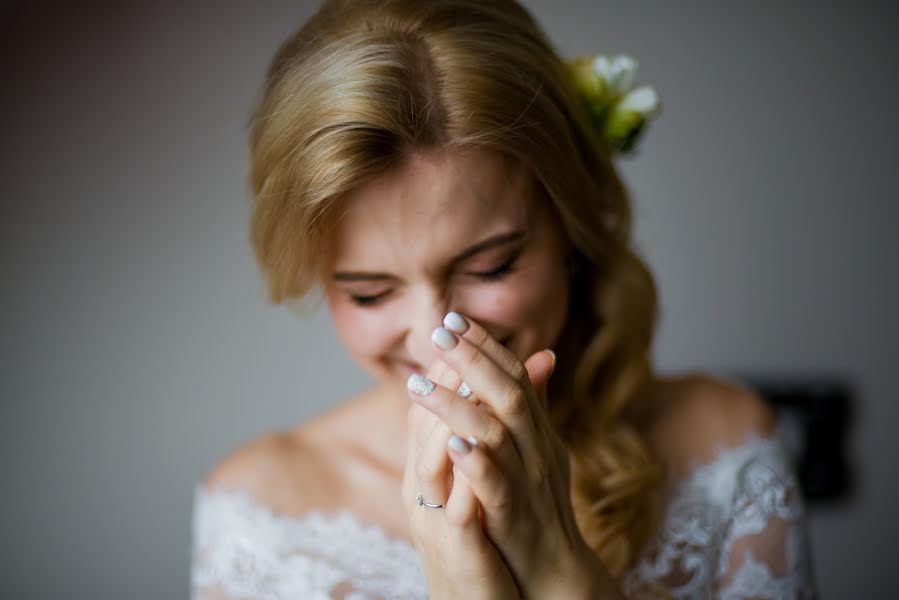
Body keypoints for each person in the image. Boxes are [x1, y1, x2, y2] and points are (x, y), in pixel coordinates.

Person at [190, 0, 816, 598]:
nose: (438, 331)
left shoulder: (725, 446)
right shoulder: (259, 509)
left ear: (571, 229)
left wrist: (559, 571)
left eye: (490, 266)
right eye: (369, 291)